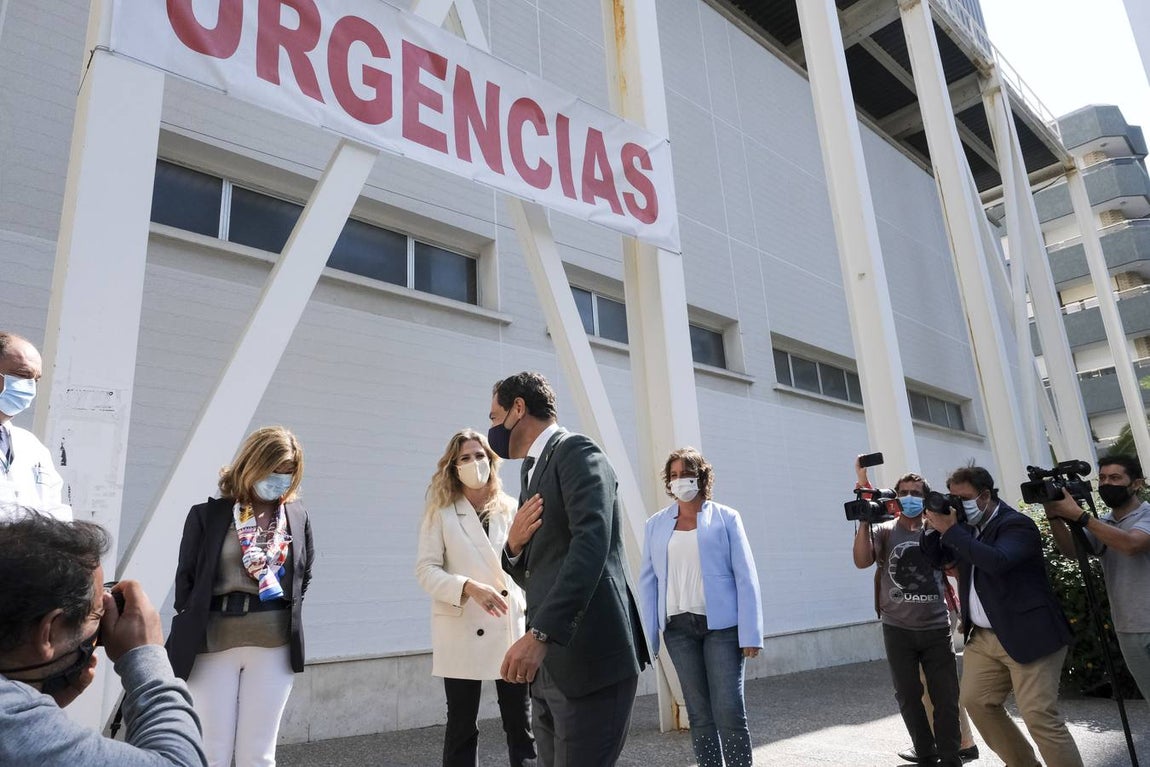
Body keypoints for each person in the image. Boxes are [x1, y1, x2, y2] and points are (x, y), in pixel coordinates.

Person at [489, 371, 649, 767]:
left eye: (494, 417)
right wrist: (513, 548)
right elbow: (538, 569)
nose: (491, 428)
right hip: (550, 670)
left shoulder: (577, 451)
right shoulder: (531, 471)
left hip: (590, 662)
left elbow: (591, 547)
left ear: (518, 409)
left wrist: (541, 633)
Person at [0, 511, 206, 766]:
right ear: (49, 633)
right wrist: (147, 658)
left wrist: (40, 703)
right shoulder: (11, 721)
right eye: (97, 613)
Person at [166, 426, 314, 767]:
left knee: (258, 756)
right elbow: (186, 581)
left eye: (288, 472)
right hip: (213, 643)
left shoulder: (297, 517)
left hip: (274, 644)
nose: (280, 479)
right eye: (274, 469)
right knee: (211, 752)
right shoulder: (208, 516)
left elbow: (303, 577)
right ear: (252, 464)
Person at [921, 464, 1083, 767]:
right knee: (976, 702)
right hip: (983, 636)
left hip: (1029, 633)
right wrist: (932, 528)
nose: (957, 505)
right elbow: (938, 558)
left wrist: (952, 530)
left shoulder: (1016, 525)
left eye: (963, 498)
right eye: (953, 498)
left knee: (1038, 715)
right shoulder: (965, 527)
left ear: (984, 496)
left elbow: (997, 561)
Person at [415, 429, 536, 767]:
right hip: (461, 626)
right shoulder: (441, 512)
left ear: (491, 461)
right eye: (465, 458)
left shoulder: (511, 508)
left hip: (508, 625)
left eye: (480, 455)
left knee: (520, 723)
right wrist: (468, 587)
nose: (474, 463)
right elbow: (425, 570)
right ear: (454, 467)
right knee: (461, 726)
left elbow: (529, 564)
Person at [638, 447, 763, 767]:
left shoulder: (726, 518)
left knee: (729, 709)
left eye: (686, 473)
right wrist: (649, 638)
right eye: (674, 475)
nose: (680, 480)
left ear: (701, 477)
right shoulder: (655, 524)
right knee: (698, 713)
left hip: (722, 628)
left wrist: (751, 633)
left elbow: (746, 576)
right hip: (677, 630)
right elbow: (648, 582)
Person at [850, 459, 969, 767]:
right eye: (904, 492)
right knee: (907, 695)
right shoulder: (885, 530)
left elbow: (956, 567)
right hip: (897, 628)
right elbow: (861, 561)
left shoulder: (937, 530)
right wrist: (864, 521)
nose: (909, 497)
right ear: (896, 497)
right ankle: (926, 752)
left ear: (926, 497)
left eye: (916, 493)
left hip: (936, 627)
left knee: (945, 696)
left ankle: (951, 756)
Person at [1043, 454, 1150, 705]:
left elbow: (1131, 544)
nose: (1106, 484)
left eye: (1115, 478)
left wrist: (1081, 516)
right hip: (1127, 627)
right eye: (1102, 478)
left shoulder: (1146, 515)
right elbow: (1072, 551)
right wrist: (1054, 515)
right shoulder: (1104, 523)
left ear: (1136, 484)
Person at [0, 332, 69, 519]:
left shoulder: (31, 446)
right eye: (23, 375)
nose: (30, 387)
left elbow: (55, 511)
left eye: (36, 380)